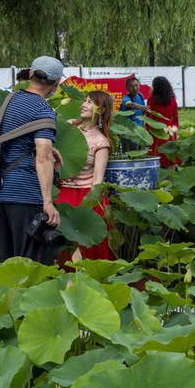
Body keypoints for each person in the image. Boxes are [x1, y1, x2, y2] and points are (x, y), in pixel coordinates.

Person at [0, 56, 63, 262]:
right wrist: (48, 202)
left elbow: (13, 139)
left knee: (9, 262)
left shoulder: (10, 100)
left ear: (31, 74)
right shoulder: (42, 110)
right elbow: (43, 158)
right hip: (26, 194)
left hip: (1, 192)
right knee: (30, 265)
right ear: (56, 83)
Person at [56, 91, 114, 263]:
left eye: (90, 102)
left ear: (102, 109)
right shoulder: (68, 129)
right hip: (61, 192)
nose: (84, 104)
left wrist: (88, 208)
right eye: (84, 100)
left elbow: (98, 180)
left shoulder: (101, 142)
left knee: (82, 244)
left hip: (85, 196)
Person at [147, 75, 180, 167]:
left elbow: (149, 117)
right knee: (171, 157)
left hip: (156, 130)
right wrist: (175, 128)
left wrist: (148, 131)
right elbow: (176, 116)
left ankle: (159, 178)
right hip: (170, 129)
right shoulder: (172, 99)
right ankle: (171, 179)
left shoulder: (151, 100)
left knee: (157, 155)